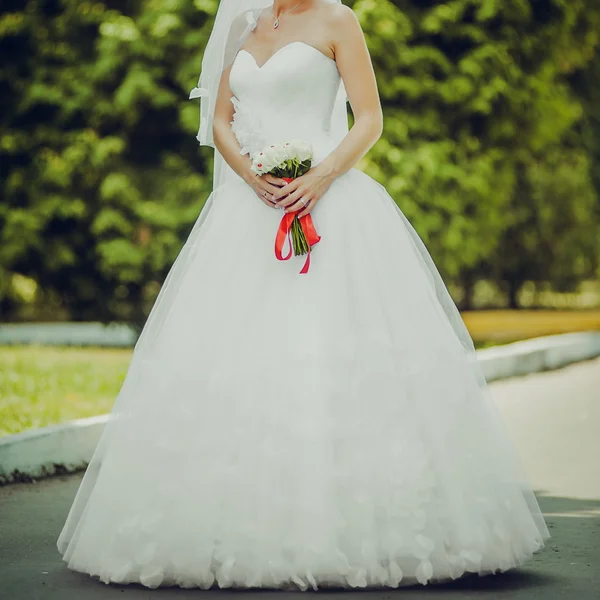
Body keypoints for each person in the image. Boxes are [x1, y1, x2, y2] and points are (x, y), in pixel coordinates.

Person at [57, 0, 549, 591]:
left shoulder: (337, 20)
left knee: (332, 352)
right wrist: (251, 176)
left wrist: (320, 176)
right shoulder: (240, 25)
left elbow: (369, 118)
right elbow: (218, 118)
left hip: (331, 203)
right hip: (247, 210)